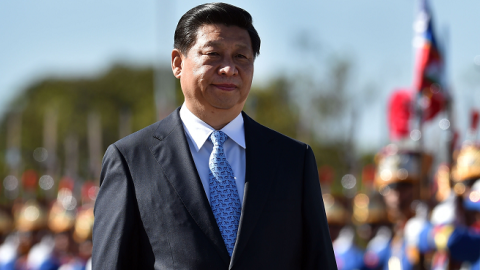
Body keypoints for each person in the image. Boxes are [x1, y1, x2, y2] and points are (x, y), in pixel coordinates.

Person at [92, 2, 336, 269]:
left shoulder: (293, 160)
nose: (229, 69)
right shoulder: (131, 160)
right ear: (177, 63)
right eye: (213, 54)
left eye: (241, 57)